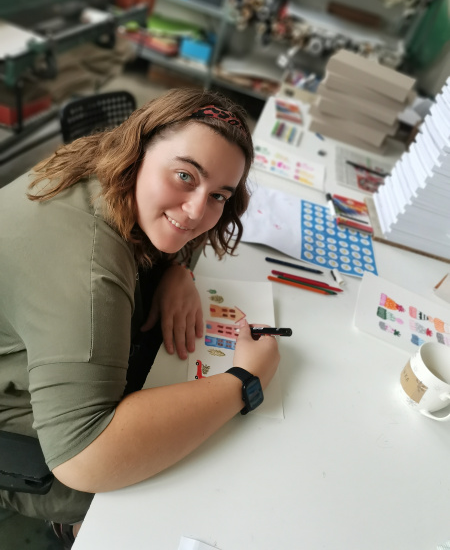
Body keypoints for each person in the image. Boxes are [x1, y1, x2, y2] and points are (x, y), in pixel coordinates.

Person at [0, 88, 280, 546]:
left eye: (218, 196)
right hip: (19, 421)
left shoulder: (105, 165)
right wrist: (245, 380)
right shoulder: (88, 271)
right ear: (139, 149)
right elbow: (85, 458)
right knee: (160, 492)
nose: (197, 212)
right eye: (185, 175)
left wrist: (177, 270)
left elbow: (178, 224)